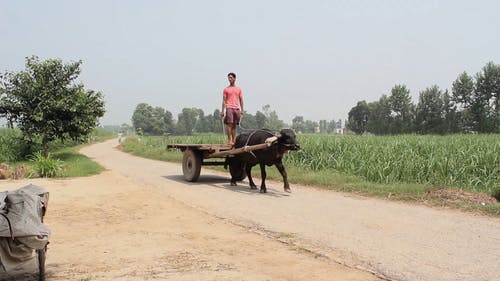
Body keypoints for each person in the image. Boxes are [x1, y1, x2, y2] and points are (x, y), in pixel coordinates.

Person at [221, 72, 244, 146]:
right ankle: (229, 140)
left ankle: (234, 141)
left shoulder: (238, 89)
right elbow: (224, 101)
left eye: (231, 77)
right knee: (229, 124)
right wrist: (222, 111)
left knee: (234, 125)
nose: (229, 79)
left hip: (236, 108)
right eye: (228, 78)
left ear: (234, 78)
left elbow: (241, 100)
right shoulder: (226, 89)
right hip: (229, 108)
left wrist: (242, 110)